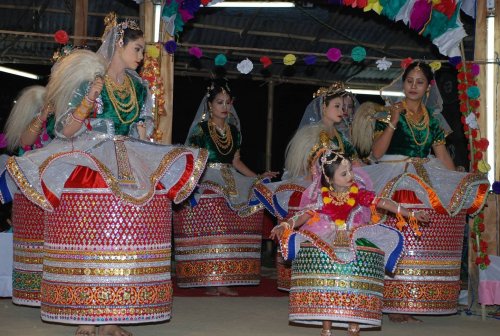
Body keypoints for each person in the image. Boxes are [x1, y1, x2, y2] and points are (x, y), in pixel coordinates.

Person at [3, 13, 207, 336]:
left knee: (120, 241)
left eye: (142, 51)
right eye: (137, 49)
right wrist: (89, 98)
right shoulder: (89, 81)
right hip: (91, 157)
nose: (141, 58)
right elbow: (66, 129)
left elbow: (141, 130)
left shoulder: (140, 89)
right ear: (118, 46)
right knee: (89, 241)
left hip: (128, 158)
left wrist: (150, 157)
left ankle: (111, 318)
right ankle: (86, 318)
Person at [352, 61, 489, 322]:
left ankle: (409, 298)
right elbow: (377, 153)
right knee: (395, 233)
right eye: (409, 81)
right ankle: (390, 300)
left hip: (423, 176)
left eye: (420, 82)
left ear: (428, 88)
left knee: (419, 238)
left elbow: (443, 160)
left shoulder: (433, 119)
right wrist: (393, 121)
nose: (413, 86)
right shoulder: (387, 113)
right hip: (392, 176)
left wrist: (459, 181)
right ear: (403, 83)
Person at [270, 132, 428, 336]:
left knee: (356, 275)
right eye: (344, 174)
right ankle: (326, 326)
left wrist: (409, 213)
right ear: (328, 177)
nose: (351, 176)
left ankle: (355, 321)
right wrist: (286, 225)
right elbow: (304, 215)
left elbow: (381, 202)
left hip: (354, 236)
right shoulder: (321, 197)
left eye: (350, 171)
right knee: (327, 278)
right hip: (326, 237)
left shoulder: (358, 193)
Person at [173, 79, 277, 296]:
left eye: (228, 103)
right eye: (219, 102)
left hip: (230, 177)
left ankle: (225, 277)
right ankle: (209, 277)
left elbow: (236, 162)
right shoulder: (200, 131)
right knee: (214, 221)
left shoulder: (234, 131)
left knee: (234, 222)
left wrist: (258, 177)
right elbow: (193, 160)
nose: (224, 107)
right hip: (207, 177)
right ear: (210, 105)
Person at [255, 82, 359, 291]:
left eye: (344, 107)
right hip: (315, 187)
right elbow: (307, 166)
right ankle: (307, 278)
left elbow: (356, 164)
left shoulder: (341, 137)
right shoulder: (312, 135)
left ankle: (336, 277)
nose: (342, 111)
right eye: (337, 106)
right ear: (323, 107)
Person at [0, 86, 54, 307]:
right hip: (29, 192)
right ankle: (27, 288)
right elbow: (24, 143)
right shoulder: (28, 131)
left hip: (47, 190)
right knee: (28, 241)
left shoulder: (52, 129)